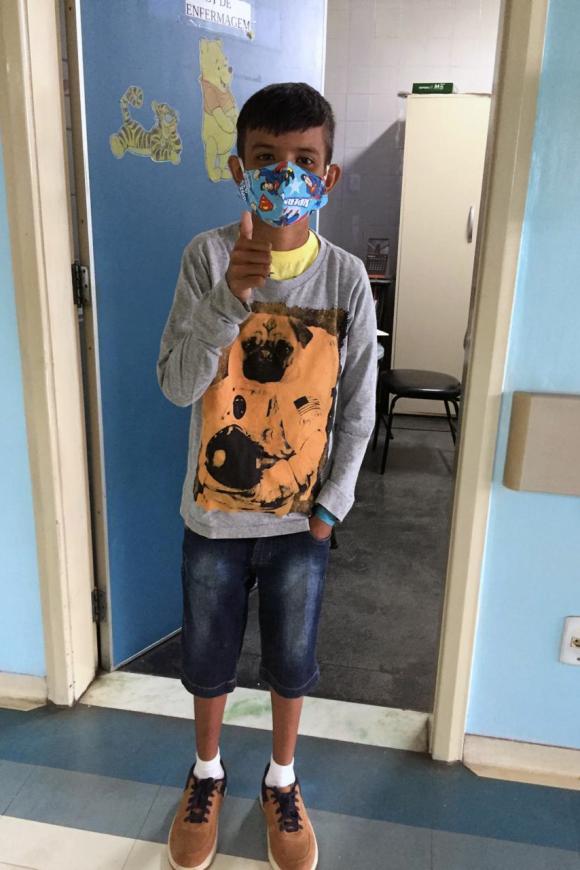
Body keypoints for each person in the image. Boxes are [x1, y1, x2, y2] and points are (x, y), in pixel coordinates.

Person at [157, 82, 377, 870]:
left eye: (304, 161)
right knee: (207, 659)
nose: (285, 175)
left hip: (299, 525)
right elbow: (177, 384)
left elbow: (359, 406)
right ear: (237, 169)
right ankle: (207, 771)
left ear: (328, 176)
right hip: (213, 521)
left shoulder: (346, 280)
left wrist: (331, 508)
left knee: (292, 660)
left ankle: (282, 778)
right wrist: (230, 298)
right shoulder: (206, 258)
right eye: (266, 158)